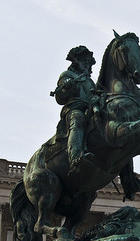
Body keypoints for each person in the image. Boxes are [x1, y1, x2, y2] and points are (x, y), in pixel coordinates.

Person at [52, 45, 97, 175]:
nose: (88, 66)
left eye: (89, 63)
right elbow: (60, 98)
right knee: (78, 118)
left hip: (90, 110)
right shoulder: (67, 75)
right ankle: (75, 157)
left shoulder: (90, 81)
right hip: (74, 109)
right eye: (85, 62)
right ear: (77, 61)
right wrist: (66, 87)